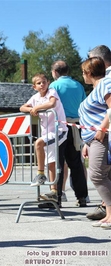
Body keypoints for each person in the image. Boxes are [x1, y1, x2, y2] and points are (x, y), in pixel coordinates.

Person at [20, 74, 68, 208]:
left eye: (44, 82)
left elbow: (52, 103)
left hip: (59, 130)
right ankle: (53, 192)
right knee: (51, 163)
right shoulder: (35, 98)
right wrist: (31, 109)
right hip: (47, 132)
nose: (42, 85)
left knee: (38, 143)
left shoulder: (52, 92)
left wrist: (37, 108)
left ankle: (40, 174)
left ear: (48, 83)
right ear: (34, 87)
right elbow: (22, 107)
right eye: (39, 83)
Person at [50, 60, 88, 207]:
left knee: (58, 163)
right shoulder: (78, 85)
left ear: (55, 72)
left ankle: (57, 196)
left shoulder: (54, 86)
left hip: (59, 127)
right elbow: (84, 105)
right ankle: (82, 196)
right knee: (76, 164)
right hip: (75, 126)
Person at [78, 56, 111, 228]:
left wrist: (102, 129)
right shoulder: (96, 89)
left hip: (102, 138)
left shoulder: (104, 84)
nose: (82, 76)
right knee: (102, 176)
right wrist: (86, 142)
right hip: (93, 139)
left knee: (97, 175)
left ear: (88, 73)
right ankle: (109, 215)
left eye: (83, 72)